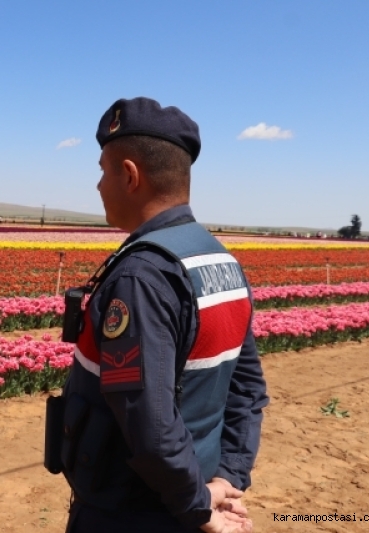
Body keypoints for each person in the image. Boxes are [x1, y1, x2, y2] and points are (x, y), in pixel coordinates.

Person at [46, 97, 268, 533]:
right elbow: (247, 389)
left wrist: (197, 506)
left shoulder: (142, 277)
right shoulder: (219, 260)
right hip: (189, 494)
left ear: (130, 175)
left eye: (103, 171)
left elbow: (149, 421)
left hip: (130, 511)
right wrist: (228, 477)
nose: (98, 186)